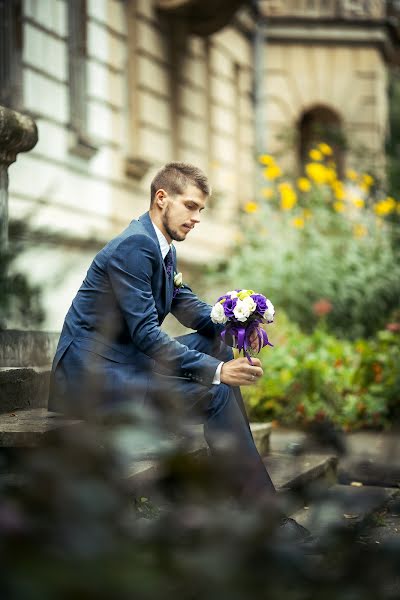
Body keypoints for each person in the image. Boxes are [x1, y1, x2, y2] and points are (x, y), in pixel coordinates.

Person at [49, 162, 314, 548]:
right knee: (217, 386)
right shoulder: (135, 246)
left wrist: (239, 318)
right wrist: (218, 371)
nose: (196, 218)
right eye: (191, 206)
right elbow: (146, 335)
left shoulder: (161, 245)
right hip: (91, 377)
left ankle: (243, 483)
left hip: (121, 362)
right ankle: (262, 515)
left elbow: (187, 306)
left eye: (201, 210)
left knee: (214, 344)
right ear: (162, 198)